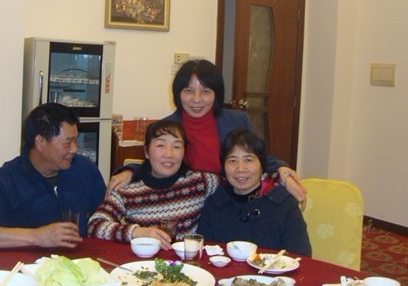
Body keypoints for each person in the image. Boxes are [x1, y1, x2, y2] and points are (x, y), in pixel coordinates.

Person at [108, 59, 307, 205]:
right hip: (187, 207)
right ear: (178, 93)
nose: (196, 99)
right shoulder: (168, 126)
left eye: (205, 91)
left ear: (216, 94)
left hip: (231, 202)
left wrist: (282, 170)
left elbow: (255, 158)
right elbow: (158, 162)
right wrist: (130, 171)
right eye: (188, 91)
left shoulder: (237, 120)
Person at [0, 103, 105, 249]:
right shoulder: (6, 179)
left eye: (76, 140)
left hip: (82, 261)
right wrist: (35, 237)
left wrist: (122, 176)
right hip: (25, 263)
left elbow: (106, 216)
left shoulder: (84, 169)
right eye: (68, 142)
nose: (74, 149)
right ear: (40, 142)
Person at [88, 120, 220, 249]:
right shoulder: (128, 191)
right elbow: (94, 225)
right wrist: (138, 233)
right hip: (143, 261)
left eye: (176, 146)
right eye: (160, 145)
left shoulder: (198, 183)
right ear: (146, 151)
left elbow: (229, 182)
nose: (169, 154)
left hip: (186, 261)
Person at [197, 130, 311, 256]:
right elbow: (204, 254)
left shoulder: (284, 204)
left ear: (262, 166)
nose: (240, 168)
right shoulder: (214, 204)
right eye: (233, 161)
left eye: (248, 160)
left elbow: (302, 257)